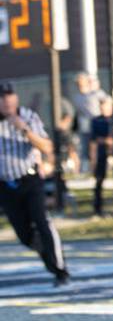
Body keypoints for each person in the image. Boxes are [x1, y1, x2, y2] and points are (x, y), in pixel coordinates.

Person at [0, 82, 70, 286]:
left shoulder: (28, 116)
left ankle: (60, 269)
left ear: (16, 98)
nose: (6, 101)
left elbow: (47, 147)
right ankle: (47, 255)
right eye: (2, 98)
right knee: (24, 235)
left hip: (29, 179)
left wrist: (24, 130)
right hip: (5, 185)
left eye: (9, 96)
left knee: (42, 221)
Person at [89, 96, 113, 217]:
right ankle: (97, 209)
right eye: (102, 106)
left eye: (106, 106)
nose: (104, 108)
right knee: (99, 180)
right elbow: (94, 139)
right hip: (102, 153)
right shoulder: (96, 121)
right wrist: (105, 141)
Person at [72, 72, 108, 173]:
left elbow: (107, 103)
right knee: (84, 147)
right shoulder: (77, 97)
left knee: (98, 146)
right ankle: (86, 168)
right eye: (78, 82)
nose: (80, 83)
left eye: (82, 81)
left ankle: (100, 166)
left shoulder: (96, 94)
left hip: (98, 123)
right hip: (84, 125)